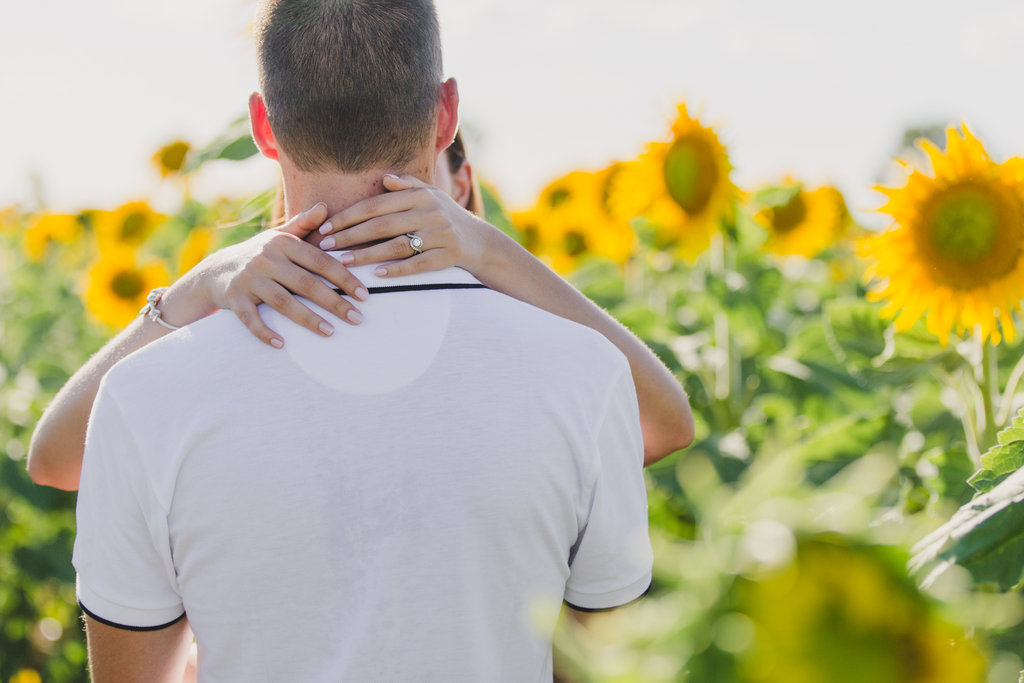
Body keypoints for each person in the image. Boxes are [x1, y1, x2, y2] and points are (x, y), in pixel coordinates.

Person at [70, 0, 675, 679]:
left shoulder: (143, 395)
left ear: (263, 127)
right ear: (446, 116)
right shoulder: (585, 373)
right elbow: (598, 663)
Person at [27, 133, 692, 493]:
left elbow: (663, 424)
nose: (373, 201)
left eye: (407, 182)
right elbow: (59, 460)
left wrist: (488, 249)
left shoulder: (519, 346)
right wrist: (194, 288)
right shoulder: (246, 318)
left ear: (461, 184)